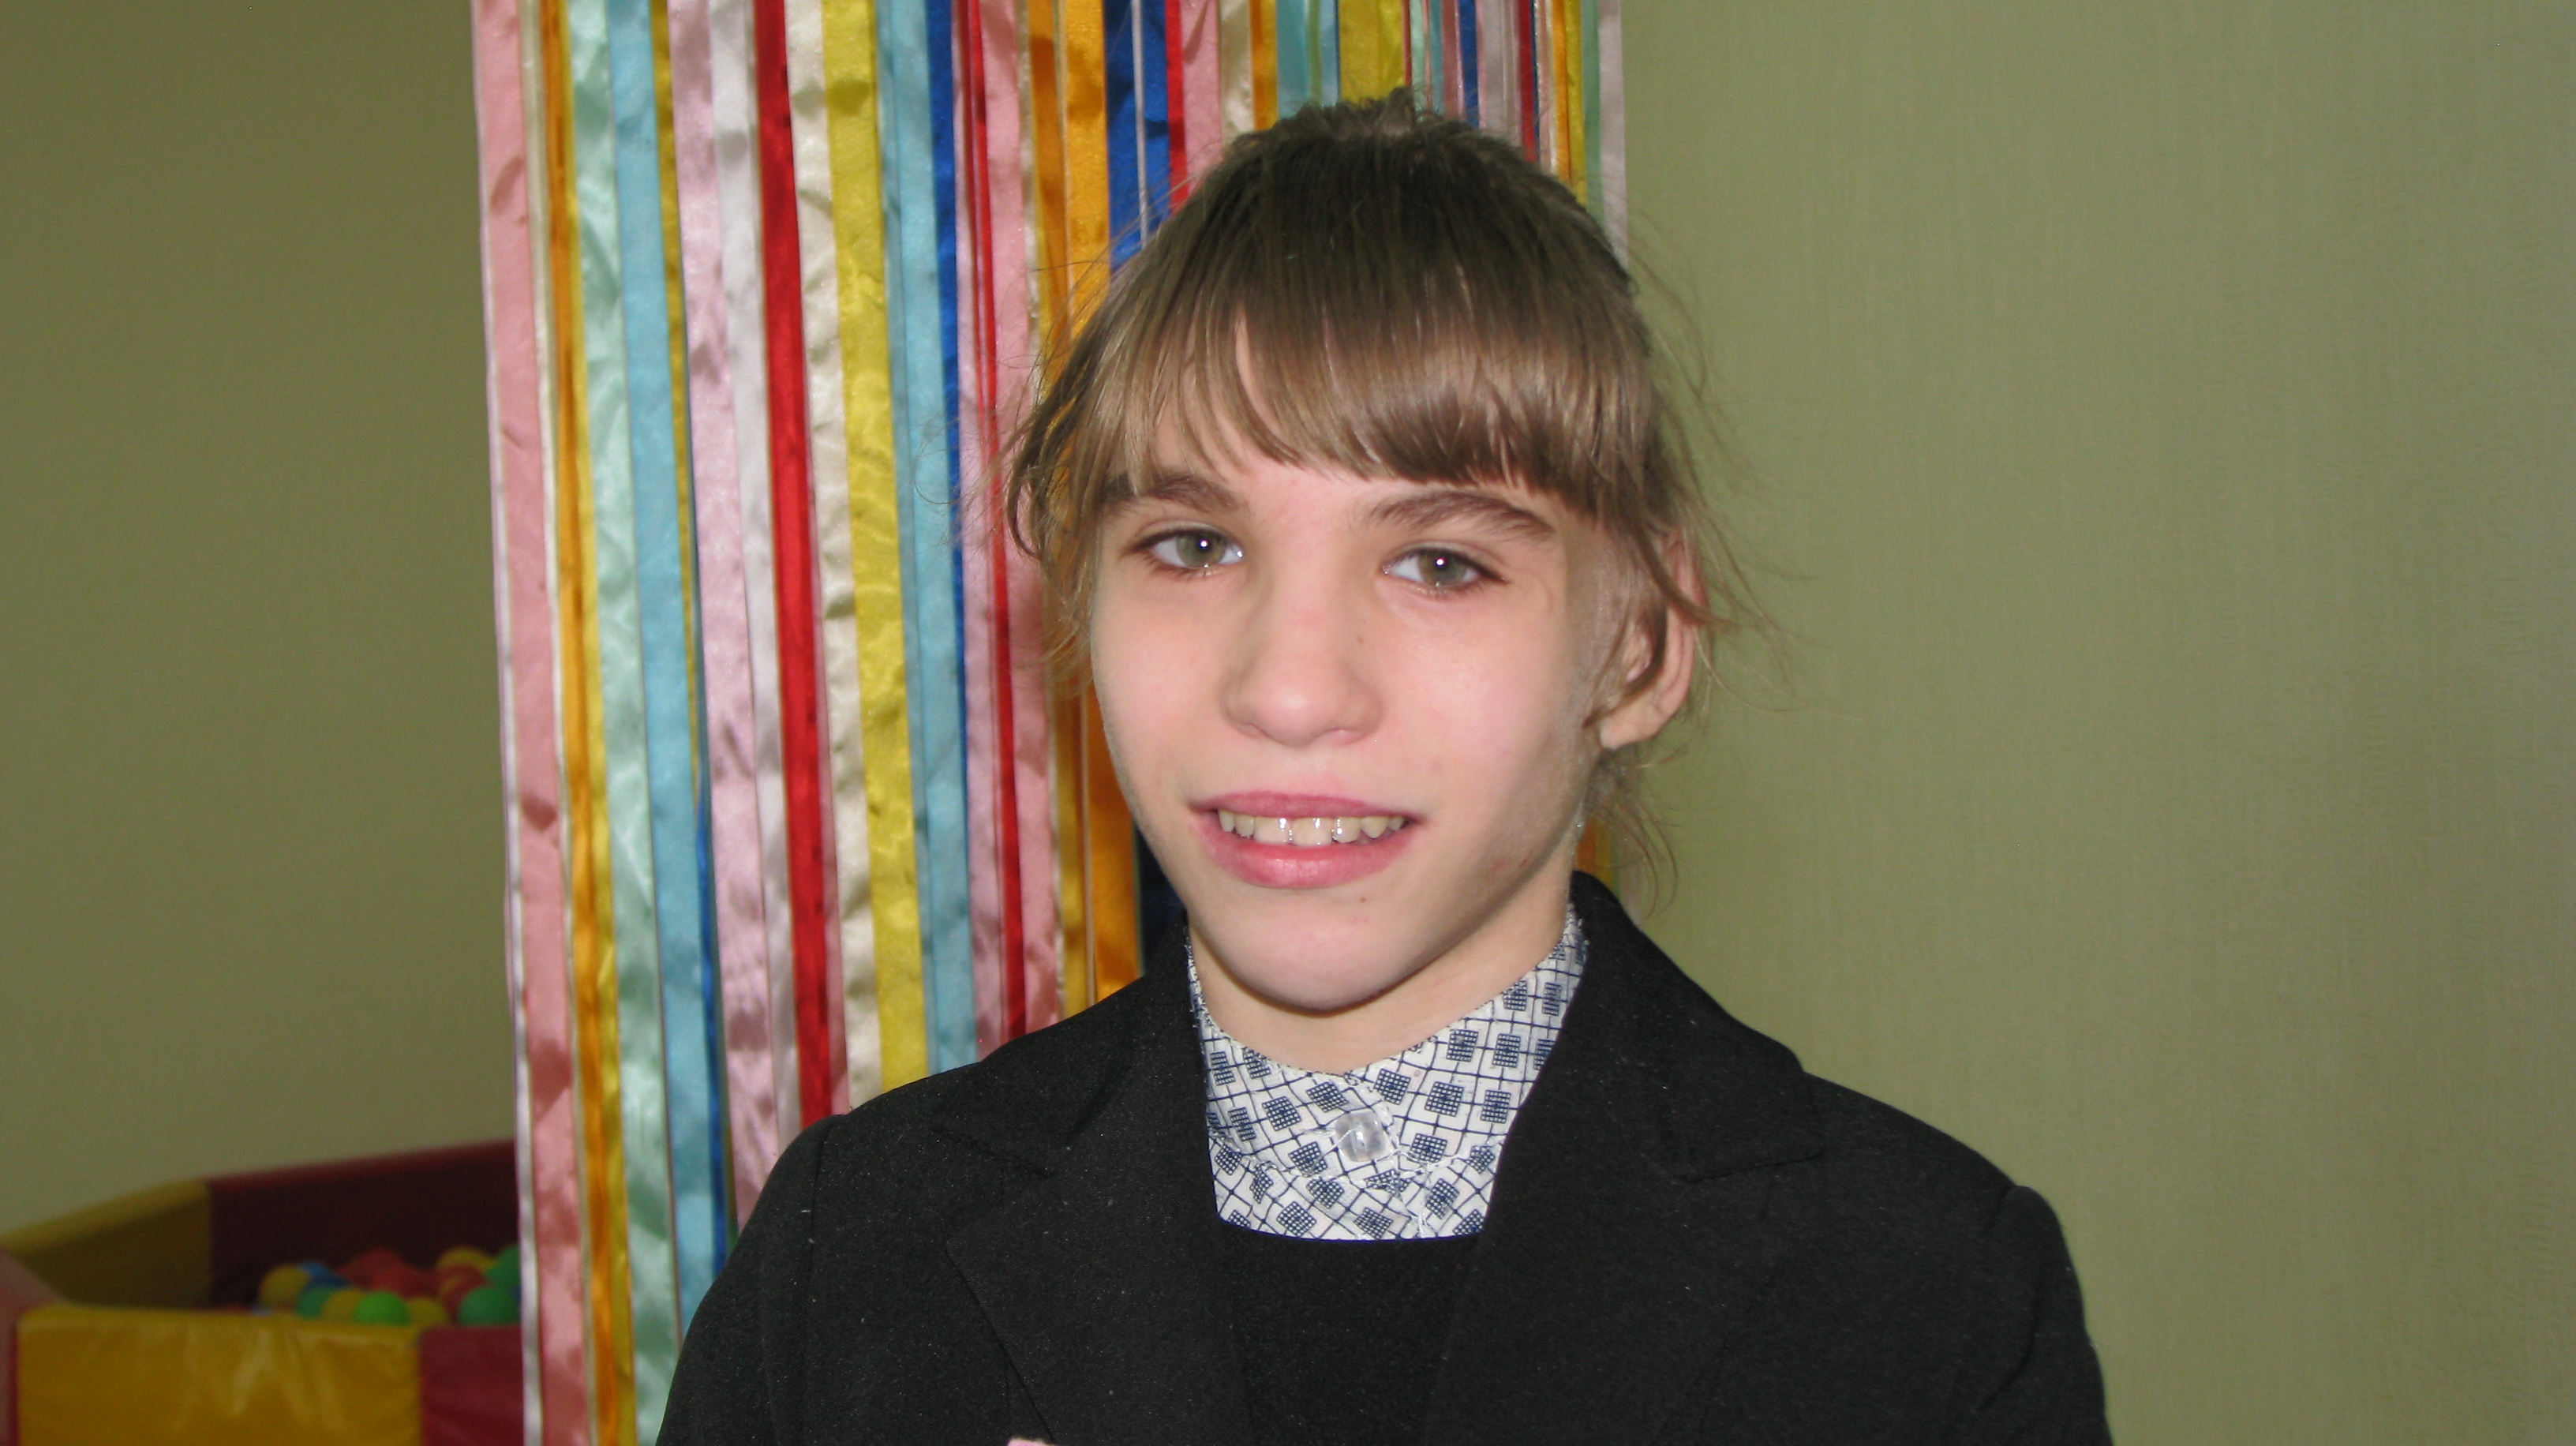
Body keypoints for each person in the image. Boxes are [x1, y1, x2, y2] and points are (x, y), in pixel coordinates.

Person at [662, 91, 2110, 1445]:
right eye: (1194, 546)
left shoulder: (1926, 1304)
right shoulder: (848, 1262)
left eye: (1440, 563)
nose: (1289, 691)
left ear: (1642, 646)